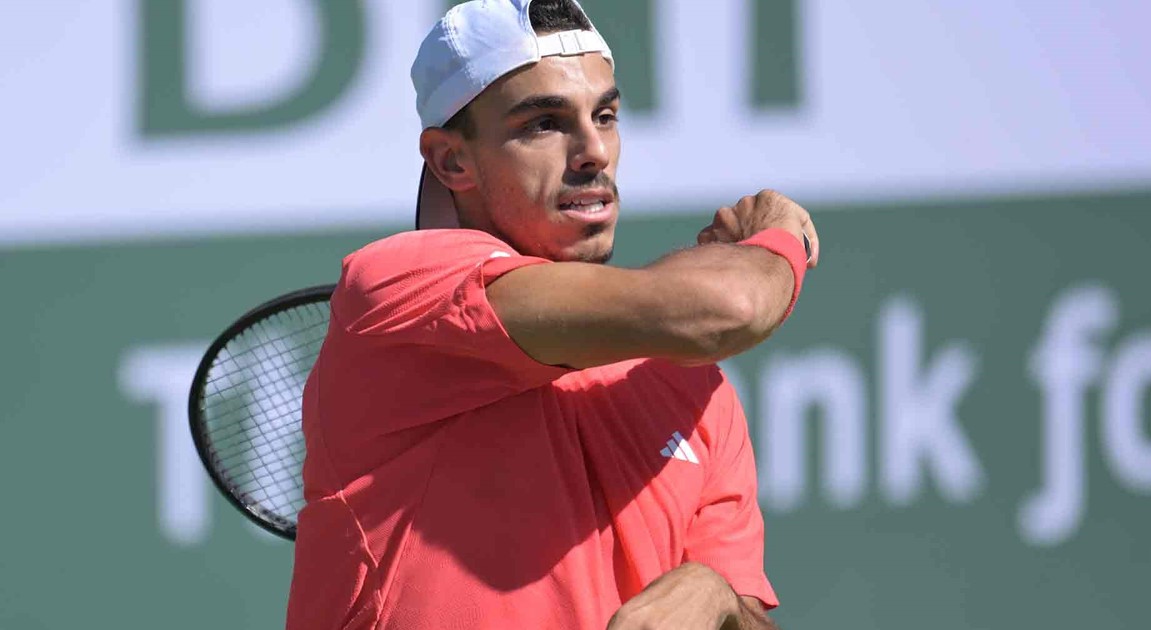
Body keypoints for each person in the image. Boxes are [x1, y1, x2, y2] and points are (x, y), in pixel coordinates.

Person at [285, 0, 819, 628]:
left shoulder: (693, 385)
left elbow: (748, 614)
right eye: (544, 123)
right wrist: (780, 236)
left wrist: (719, 599)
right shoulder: (396, 287)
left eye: (605, 116)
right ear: (451, 160)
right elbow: (731, 307)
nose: (593, 151)